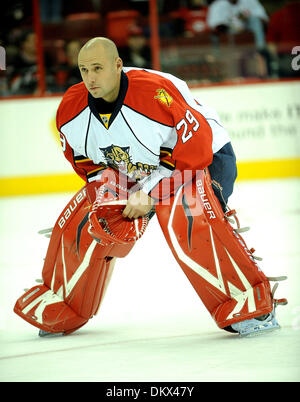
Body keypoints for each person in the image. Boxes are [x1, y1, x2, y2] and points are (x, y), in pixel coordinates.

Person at [14, 37, 287, 338]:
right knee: (88, 218)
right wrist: (112, 194)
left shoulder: (157, 93)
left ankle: (249, 303)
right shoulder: (70, 109)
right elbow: (87, 165)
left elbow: (194, 150)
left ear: (118, 65)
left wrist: (152, 194)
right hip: (135, 170)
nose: (90, 77)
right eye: (83, 70)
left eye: (98, 68)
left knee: (191, 215)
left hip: (203, 155)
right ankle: (63, 304)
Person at [266, 0, 300, 78]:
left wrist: (275, 60)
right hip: (288, 59)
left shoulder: (278, 15)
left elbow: (270, 44)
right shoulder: (279, 15)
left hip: (287, 61)